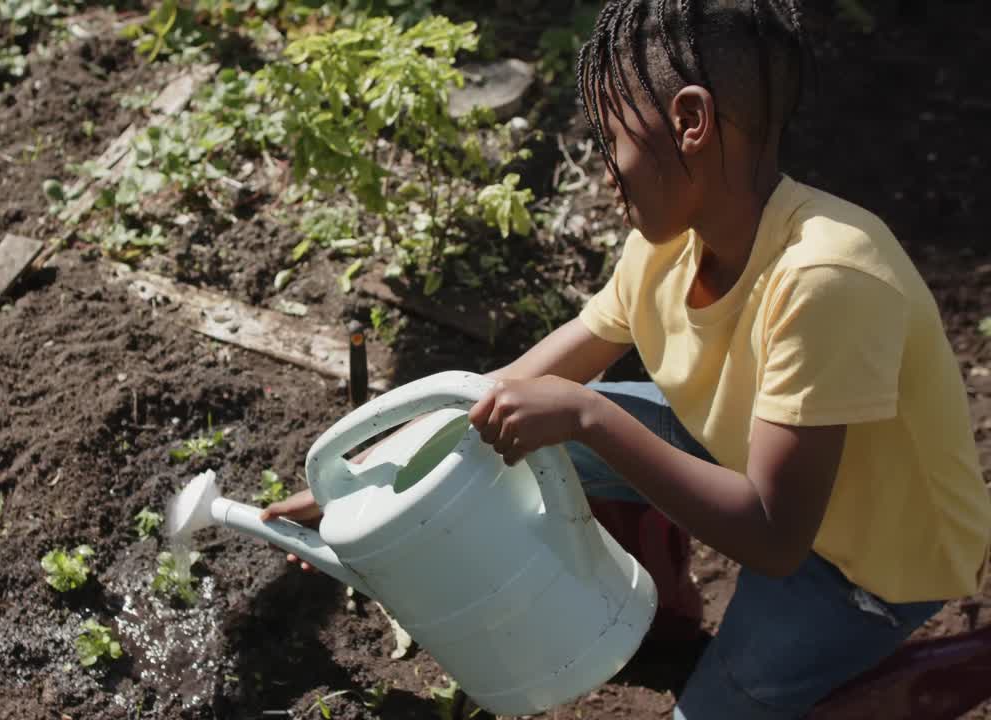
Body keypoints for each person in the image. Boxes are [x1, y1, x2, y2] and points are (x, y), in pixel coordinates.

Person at [261, 1, 991, 717]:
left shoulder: (827, 277)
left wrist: (587, 417)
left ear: (691, 123)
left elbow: (773, 538)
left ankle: (926, 677)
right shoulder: (668, 243)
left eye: (612, 139)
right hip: (745, 464)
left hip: (863, 562)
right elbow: (518, 383)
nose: (606, 168)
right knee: (502, 442)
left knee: (728, 696)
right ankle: (665, 601)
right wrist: (367, 478)